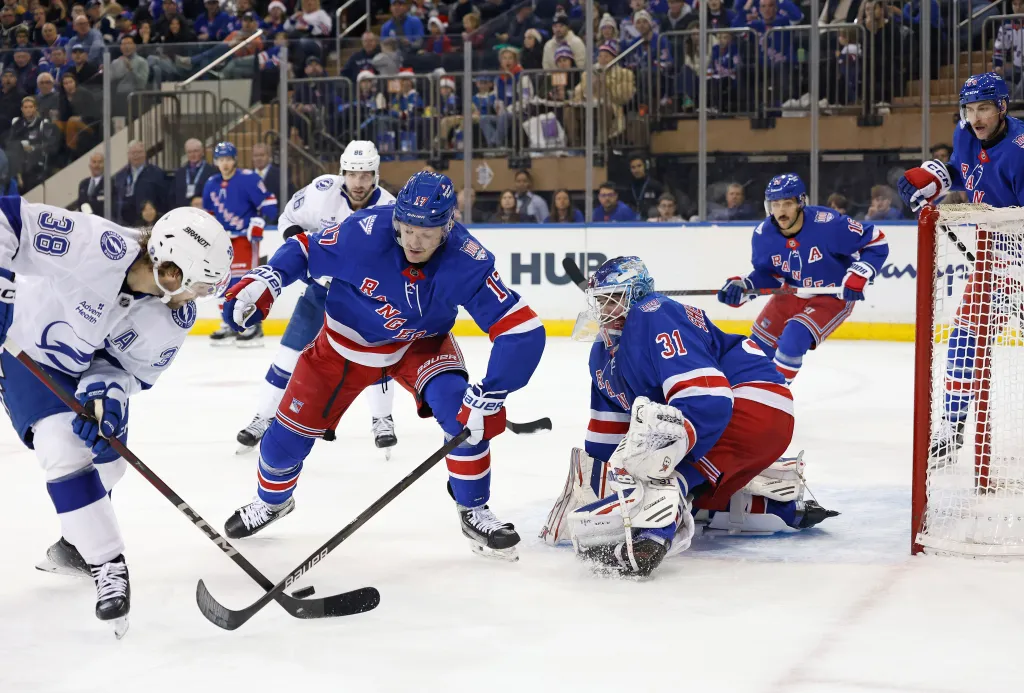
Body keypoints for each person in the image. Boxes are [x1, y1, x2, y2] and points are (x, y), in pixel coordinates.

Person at [219, 171, 546, 561]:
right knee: (281, 445)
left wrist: (492, 392)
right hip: (343, 347)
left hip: (420, 345)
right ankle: (272, 503)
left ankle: (472, 509)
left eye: (427, 232)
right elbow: (305, 250)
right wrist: (268, 277)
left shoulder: (466, 258)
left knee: (463, 415)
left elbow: (521, 328)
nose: (414, 241)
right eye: (407, 228)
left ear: (448, 226)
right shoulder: (364, 232)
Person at [0, 203, 232, 636]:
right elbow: (8, 217)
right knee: (62, 447)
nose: (201, 296)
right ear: (171, 270)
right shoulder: (93, 245)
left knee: (110, 459)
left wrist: (108, 390)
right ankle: (108, 564)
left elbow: (121, 368)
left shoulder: (173, 316)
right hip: (25, 347)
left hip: (79, 367)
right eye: (200, 284)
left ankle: (75, 542)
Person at [538, 256, 837, 576]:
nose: (604, 310)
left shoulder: (653, 313)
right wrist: (600, 488)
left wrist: (659, 467)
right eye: (599, 301)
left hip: (753, 403)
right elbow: (605, 439)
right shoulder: (601, 355)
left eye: (612, 299)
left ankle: (654, 535)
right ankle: (775, 508)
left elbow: (708, 401)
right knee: (644, 457)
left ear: (636, 294)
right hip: (736, 418)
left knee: (655, 454)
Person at [235, 141, 401, 458]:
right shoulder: (321, 190)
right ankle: (263, 417)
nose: (358, 182)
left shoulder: (391, 210)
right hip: (319, 294)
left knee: (377, 360)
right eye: (352, 174)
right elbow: (287, 221)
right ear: (343, 172)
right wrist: (305, 259)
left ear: (376, 174)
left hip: (365, 301)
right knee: (287, 355)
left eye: (365, 174)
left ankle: (382, 418)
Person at [898, 73, 1024, 461]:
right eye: (969, 109)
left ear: (1002, 108)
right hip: (994, 256)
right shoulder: (964, 133)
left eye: (984, 108)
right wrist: (936, 179)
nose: (976, 117)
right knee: (964, 338)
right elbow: (962, 169)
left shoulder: (1021, 150)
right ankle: (952, 429)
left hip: (1019, 255)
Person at [718, 174, 888, 383]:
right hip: (792, 292)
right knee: (756, 349)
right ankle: (744, 399)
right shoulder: (764, 235)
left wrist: (859, 273)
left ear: (801, 202)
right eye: (775, 204)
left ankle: (774, 400)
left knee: (793, 337)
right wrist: (745, 287)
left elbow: (876, 242)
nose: (781, 211)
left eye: (787, 203)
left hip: (831, 295)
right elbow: (771, 275)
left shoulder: (829, 225)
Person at [203, 140, 278, 347]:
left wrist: (260, 221)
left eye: (228, 159)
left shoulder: (249, 179)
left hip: (244, 239)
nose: (225, 163)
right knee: (222, 283)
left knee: (245, 282)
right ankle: (228, 323)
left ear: (234, 160)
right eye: (220, 159)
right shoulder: (211, 183)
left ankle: (252, 326)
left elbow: (270, 204)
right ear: (216, 161)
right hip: (222, 241)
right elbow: (209, 214)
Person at [112, 140, 166, 227]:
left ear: (145, 153)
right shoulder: (120, 175)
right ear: (128, 155)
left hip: (148, 223)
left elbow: (163, 199)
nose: (136, 155)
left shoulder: (156, 173)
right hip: (124, 224)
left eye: (139, 152)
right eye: (133, 153)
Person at [171, 138, 214, 210]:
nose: (192, 154)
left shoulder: (212, 171)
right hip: (183, 213)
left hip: (204, 213)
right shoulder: (180, 173)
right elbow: (173, 196)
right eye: (189, 152)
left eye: (195, 151)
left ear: (202, 152)